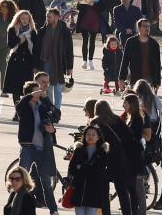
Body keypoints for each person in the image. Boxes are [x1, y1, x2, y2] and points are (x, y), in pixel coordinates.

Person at [16, 81, 58, 213]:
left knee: (46, 182)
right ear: (28, 94)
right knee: (21, 179)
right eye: (35, 91)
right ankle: (16, 207)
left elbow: (56, 115)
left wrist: (52, 130)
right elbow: (19, 106)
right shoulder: (24, 106)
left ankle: (53, 210)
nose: (38, 93)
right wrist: (29, 96)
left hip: (41, 148)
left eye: (39, 91)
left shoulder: (43, 106)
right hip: (28, 147)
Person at [65, 123, 110, 215]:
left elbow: (99, 171)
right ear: (84, 136)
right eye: (88, 134)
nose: (91, 137)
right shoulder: (79, 150)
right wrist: (86, 168)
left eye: (93, 135)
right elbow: (72, 168)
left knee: (91, 212)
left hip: (94, 190)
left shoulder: (102, 152)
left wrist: (81, 167)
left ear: (98, 137)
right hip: (79, 189)